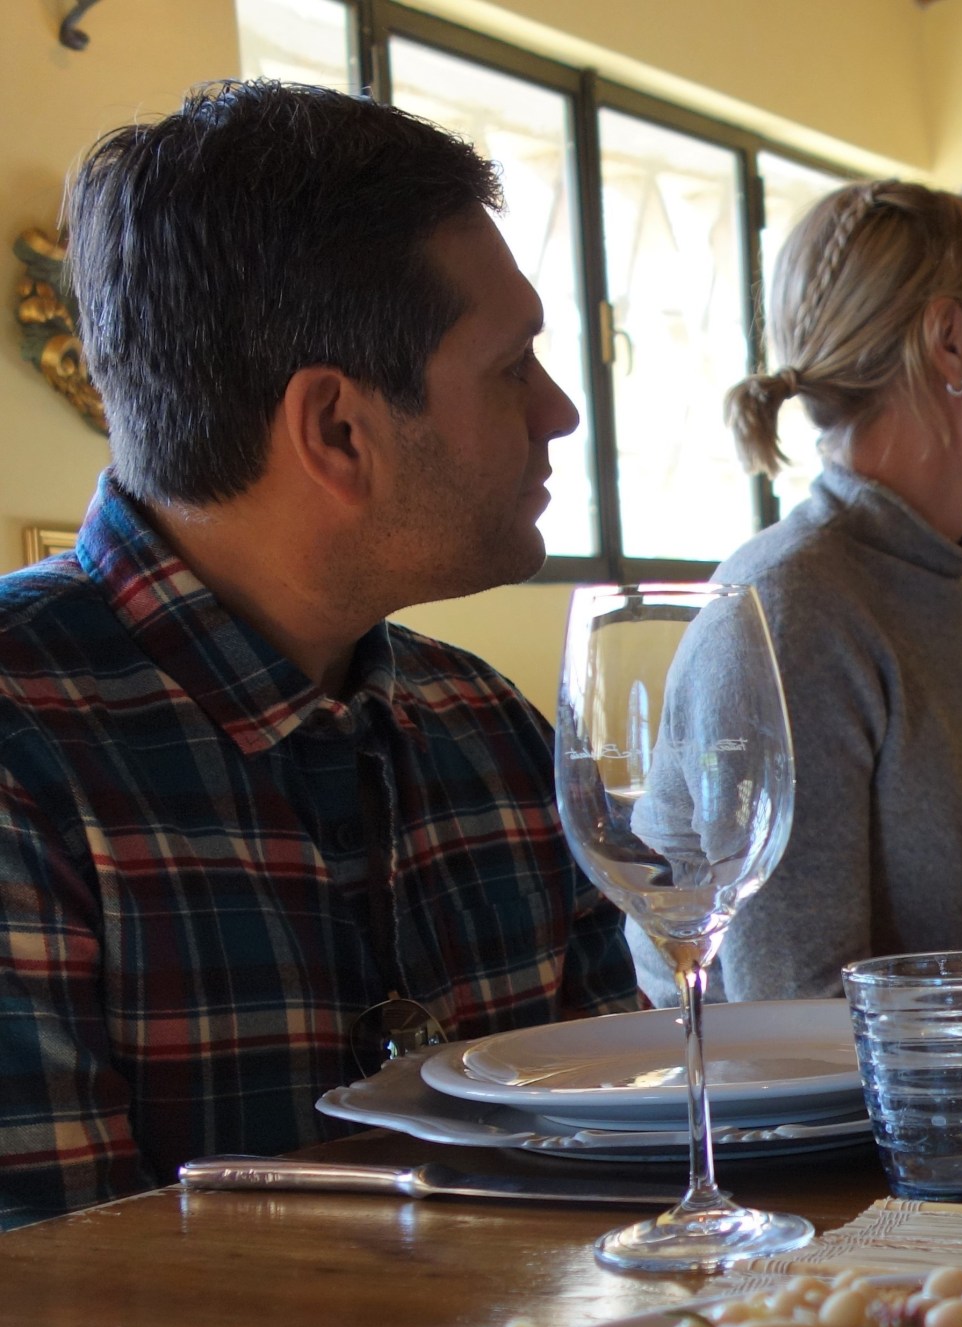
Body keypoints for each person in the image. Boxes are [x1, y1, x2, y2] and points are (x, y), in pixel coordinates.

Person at [0, 82, 637, 1218]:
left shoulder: (488, 732)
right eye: (511, 367)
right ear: (339, 430)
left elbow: (621, 1186)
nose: (558, 414)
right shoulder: (21, 752)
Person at [647, 178, 962, 1003]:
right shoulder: (790, 611)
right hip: (774, 1128)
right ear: (949, 342)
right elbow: (789, 1025)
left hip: (938, 1113)